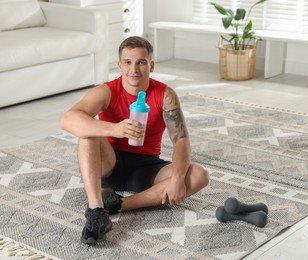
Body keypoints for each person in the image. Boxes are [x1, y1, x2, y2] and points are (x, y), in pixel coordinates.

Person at [61, 36, 209, 244]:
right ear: (119, 65)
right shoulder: (107, 91)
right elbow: (68, 119)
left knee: (199, 175)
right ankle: (96, 209)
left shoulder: (165, 94)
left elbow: (181, 141)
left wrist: (177, 179)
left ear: (152, 65)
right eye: (128, 62)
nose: (134, 69)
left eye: (141, 62)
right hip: (109, 164)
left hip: (146, 167)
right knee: (87, 130)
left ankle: (118, 205)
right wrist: (115, 128)